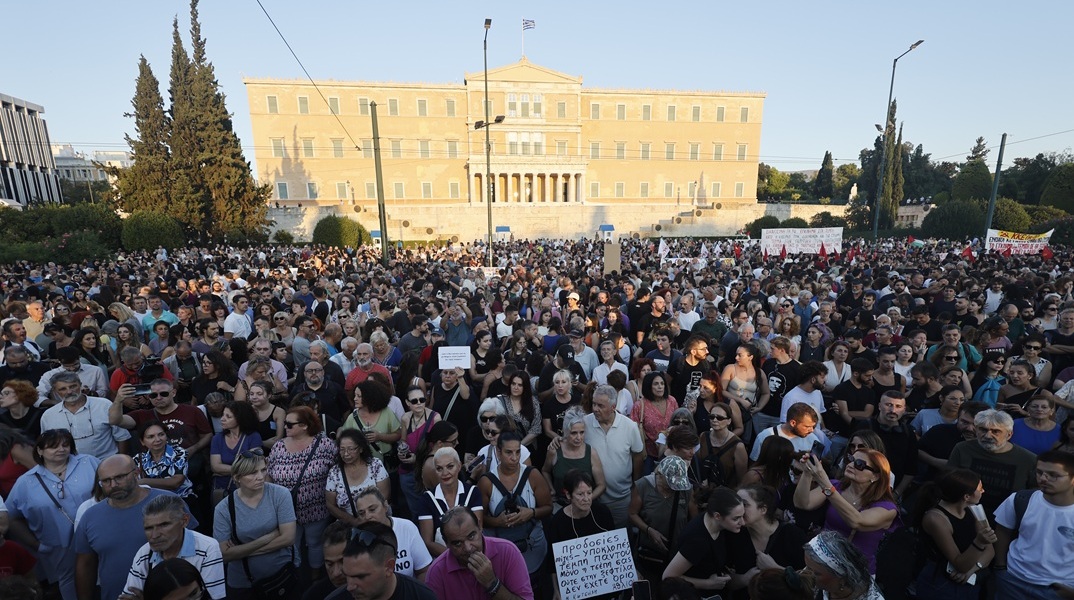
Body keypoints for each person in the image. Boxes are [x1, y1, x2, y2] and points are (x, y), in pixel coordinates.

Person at [6, 429, 100, 600]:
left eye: (65, 445)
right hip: (59, 550)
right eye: (53, 446)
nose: (61, 449)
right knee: (70, 586)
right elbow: (11, 517)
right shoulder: (26, 482)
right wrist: (36, 544)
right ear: (40, 451)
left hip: (98, 536)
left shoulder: (90, 462)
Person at [794, 448, 898, 574]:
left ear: (875, 476)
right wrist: (807, 473)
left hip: (854, 574)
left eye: (859, 464)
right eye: (851, 459)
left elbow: (857, 521)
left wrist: (825, 483)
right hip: (821, 562)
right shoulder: (836, 486)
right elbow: (802, 503)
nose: (850, 465)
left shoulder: (888, 508)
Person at [212, 448, 297, 600]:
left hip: (282, 573)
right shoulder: (224, 509)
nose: (260, 477)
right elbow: (224, 555)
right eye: (252, 473)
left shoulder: (280, 494)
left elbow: (288, 538)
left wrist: (240, 552)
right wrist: (267, 538)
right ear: (237, 477)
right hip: (244, 582)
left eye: (263, 470)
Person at [267, 405, 337, 580]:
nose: (285, 427)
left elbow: (336, 473)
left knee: (314, 544)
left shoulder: (325, 445)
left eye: (290, 424)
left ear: (305, 425)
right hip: (285, 510)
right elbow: (268, 474)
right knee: (292, 544)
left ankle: (315, 577)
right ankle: (295, 577)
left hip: (316, 508)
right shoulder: (278, 447)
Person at [993, 450, 1074, 598]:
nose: (1043, 478)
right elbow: (1002, 532)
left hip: (1058, 590)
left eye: (1053, 475)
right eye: (1039, 472)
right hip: (1012, 582)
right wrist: (1000, 568)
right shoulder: (1020, 499)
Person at [911, 468, 996, 600]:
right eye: (980, 489)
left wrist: (972, 570)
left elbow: (990, 551)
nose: (983, 491)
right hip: (940, 584)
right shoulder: (936, 519)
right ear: (966, 497)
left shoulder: (975, 511)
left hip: (969, 584)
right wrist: (979, 542)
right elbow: (960, 564)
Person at [477, 431, 551, 578]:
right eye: (508, 452)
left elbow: (548, 507)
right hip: (501, 548)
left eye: (518, 452)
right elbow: (478, 519)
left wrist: (531, 513)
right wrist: (498, 521)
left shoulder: (533, 475)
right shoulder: (486, 482)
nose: (514, 458)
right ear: (498, 453)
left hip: (531, 545)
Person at [122, 495, 225, 599]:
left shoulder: (207, 548)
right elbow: (128, 597)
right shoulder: (144, 553)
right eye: (149, 528)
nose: (155, 535)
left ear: (184, 521)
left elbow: (214, 597)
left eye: (164, 525)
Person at [425, 505, 533, 600]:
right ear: (446, 543)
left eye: (471, 536)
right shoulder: (436, 572)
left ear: (480, 527)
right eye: (457, 543)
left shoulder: (508, 552)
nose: (468, 548)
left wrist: (492, 584)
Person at [946, 409, 1038, 516]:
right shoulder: (962, 449)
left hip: (1006, 517)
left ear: (1009, 435)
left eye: (996, 431)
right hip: (965, 513)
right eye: (983, 430)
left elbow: (1035, 493)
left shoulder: (1029, 459)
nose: (988, 436)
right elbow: (949, 481)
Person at [546, 470, 615, 600]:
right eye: (580, 494)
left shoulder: (603, 513)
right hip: (576, 589)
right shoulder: (558, 522)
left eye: (589, 493)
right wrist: (556, 590)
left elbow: (615, 550)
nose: (586, 499)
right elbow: (553, 561)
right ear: (568, 494)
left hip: (603, 584)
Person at [661, 486, 744, 593]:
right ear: (717, 516)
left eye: (742, 516)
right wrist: (709, 584)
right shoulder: (697, 540)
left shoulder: (718, 525)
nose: (743, 522)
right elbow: (668, 577)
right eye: (736, 518)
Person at [584, 384, 644, 528]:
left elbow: (638, 457)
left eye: (600, 405)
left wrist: (634, 486)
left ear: (613, 407)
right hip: (592, 498)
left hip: (621, 499)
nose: (595, 409)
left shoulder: (629, 426)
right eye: (593, 404)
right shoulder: (585, 423)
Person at [330, 521, 437, 600]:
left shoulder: (423, 597)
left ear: (389, 567)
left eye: (360, 576)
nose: (350, 587)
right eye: (347, 575)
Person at [727, 485, 808, 588]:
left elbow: (808, 581)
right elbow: (722, 580)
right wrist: (744, 579)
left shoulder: (792, 535)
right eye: (735, 504)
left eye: (744, 504)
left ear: (763, 510)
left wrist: (775, 569)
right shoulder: (733, 533)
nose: (737, 509)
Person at [40, 371, 131, 459]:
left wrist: (120, 461)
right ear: (55, 391)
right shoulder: (49, 416)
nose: (69, 392)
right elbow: (48, 446)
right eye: (63, 389)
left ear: (80, 385)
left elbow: (122, 436)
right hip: (69, 468)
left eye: (73, 386)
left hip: (106, 464)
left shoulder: (104, 405)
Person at [415, 447, 484, 558]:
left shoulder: (473, 492)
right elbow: (427, 542)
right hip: (444, 561)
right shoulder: (427, 499)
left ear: (459, 466)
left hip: (473, 556)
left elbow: (478, 530)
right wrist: (455, 557)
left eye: (450, 466)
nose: (445, 473)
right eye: (439, 469)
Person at [541, 406, 606, 506]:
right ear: (566, 431)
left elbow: (601, 485)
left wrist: (585, 500)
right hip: (560, 505)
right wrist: (551, 489)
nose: (578, 437)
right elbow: (545, 471)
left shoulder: (591, 452)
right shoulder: (554, 450)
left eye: (582, 432)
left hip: (586, 507)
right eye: (574, 433)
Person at [325, 428, 391, 525]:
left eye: (351, 449)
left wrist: (369, 518)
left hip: (378, 522)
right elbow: (330, 505)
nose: (346, 453)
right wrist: (353, 521)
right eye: (342, 449)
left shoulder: (375, 465)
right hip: (349, 525)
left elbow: (385, 496)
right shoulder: (334, 473)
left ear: (361, 448)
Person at [802, 531, 885, 600]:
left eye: (816, 573)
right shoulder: (815, 574)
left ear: (842, 578)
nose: (805, 572)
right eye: (807, 566)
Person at [208, 401, 262, 504]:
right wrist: (242, 469)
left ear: (240, 418)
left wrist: (225, 469)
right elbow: (215, 466)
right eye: (223, 415)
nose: (222, 419)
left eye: (228, 416)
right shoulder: (217, 439)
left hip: (245, 488)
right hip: (222, 488)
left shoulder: (253, 437)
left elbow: (253, 465)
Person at [134, 421, 193, 498]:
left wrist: (144, 482)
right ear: (142, 442)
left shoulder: (179, 452)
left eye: (161, 434)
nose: (158, 439)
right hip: (151, 503)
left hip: (180, 499)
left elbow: (176, 482)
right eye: (151, 437)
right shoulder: (138, 459)